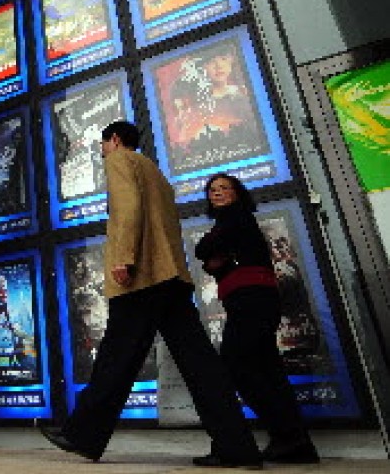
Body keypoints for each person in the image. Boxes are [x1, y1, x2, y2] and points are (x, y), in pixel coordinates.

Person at [40, 120, 261, 468]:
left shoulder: (119, 160)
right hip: (169, 276)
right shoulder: (154, 171)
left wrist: (124, 258)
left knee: (115, 357)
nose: (102, 152)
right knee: (201, 364)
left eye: (102, 145)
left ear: (113, 139)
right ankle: (237, 446)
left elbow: (128, 208)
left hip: (141, 277)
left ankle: (81, 433)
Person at [195, 173, 319, 464]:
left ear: (238, 193)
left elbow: (204, 250)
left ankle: (287, 435)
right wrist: (217, 260)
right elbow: (213, 259)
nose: (218, 193)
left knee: (237, 364)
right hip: (254, 300)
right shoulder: (233, 223)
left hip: (251, 301)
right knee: (268, 370)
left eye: (225, 188)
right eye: (213, 190)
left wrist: (216, 258)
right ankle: (296, 444)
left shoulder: (234, 217)